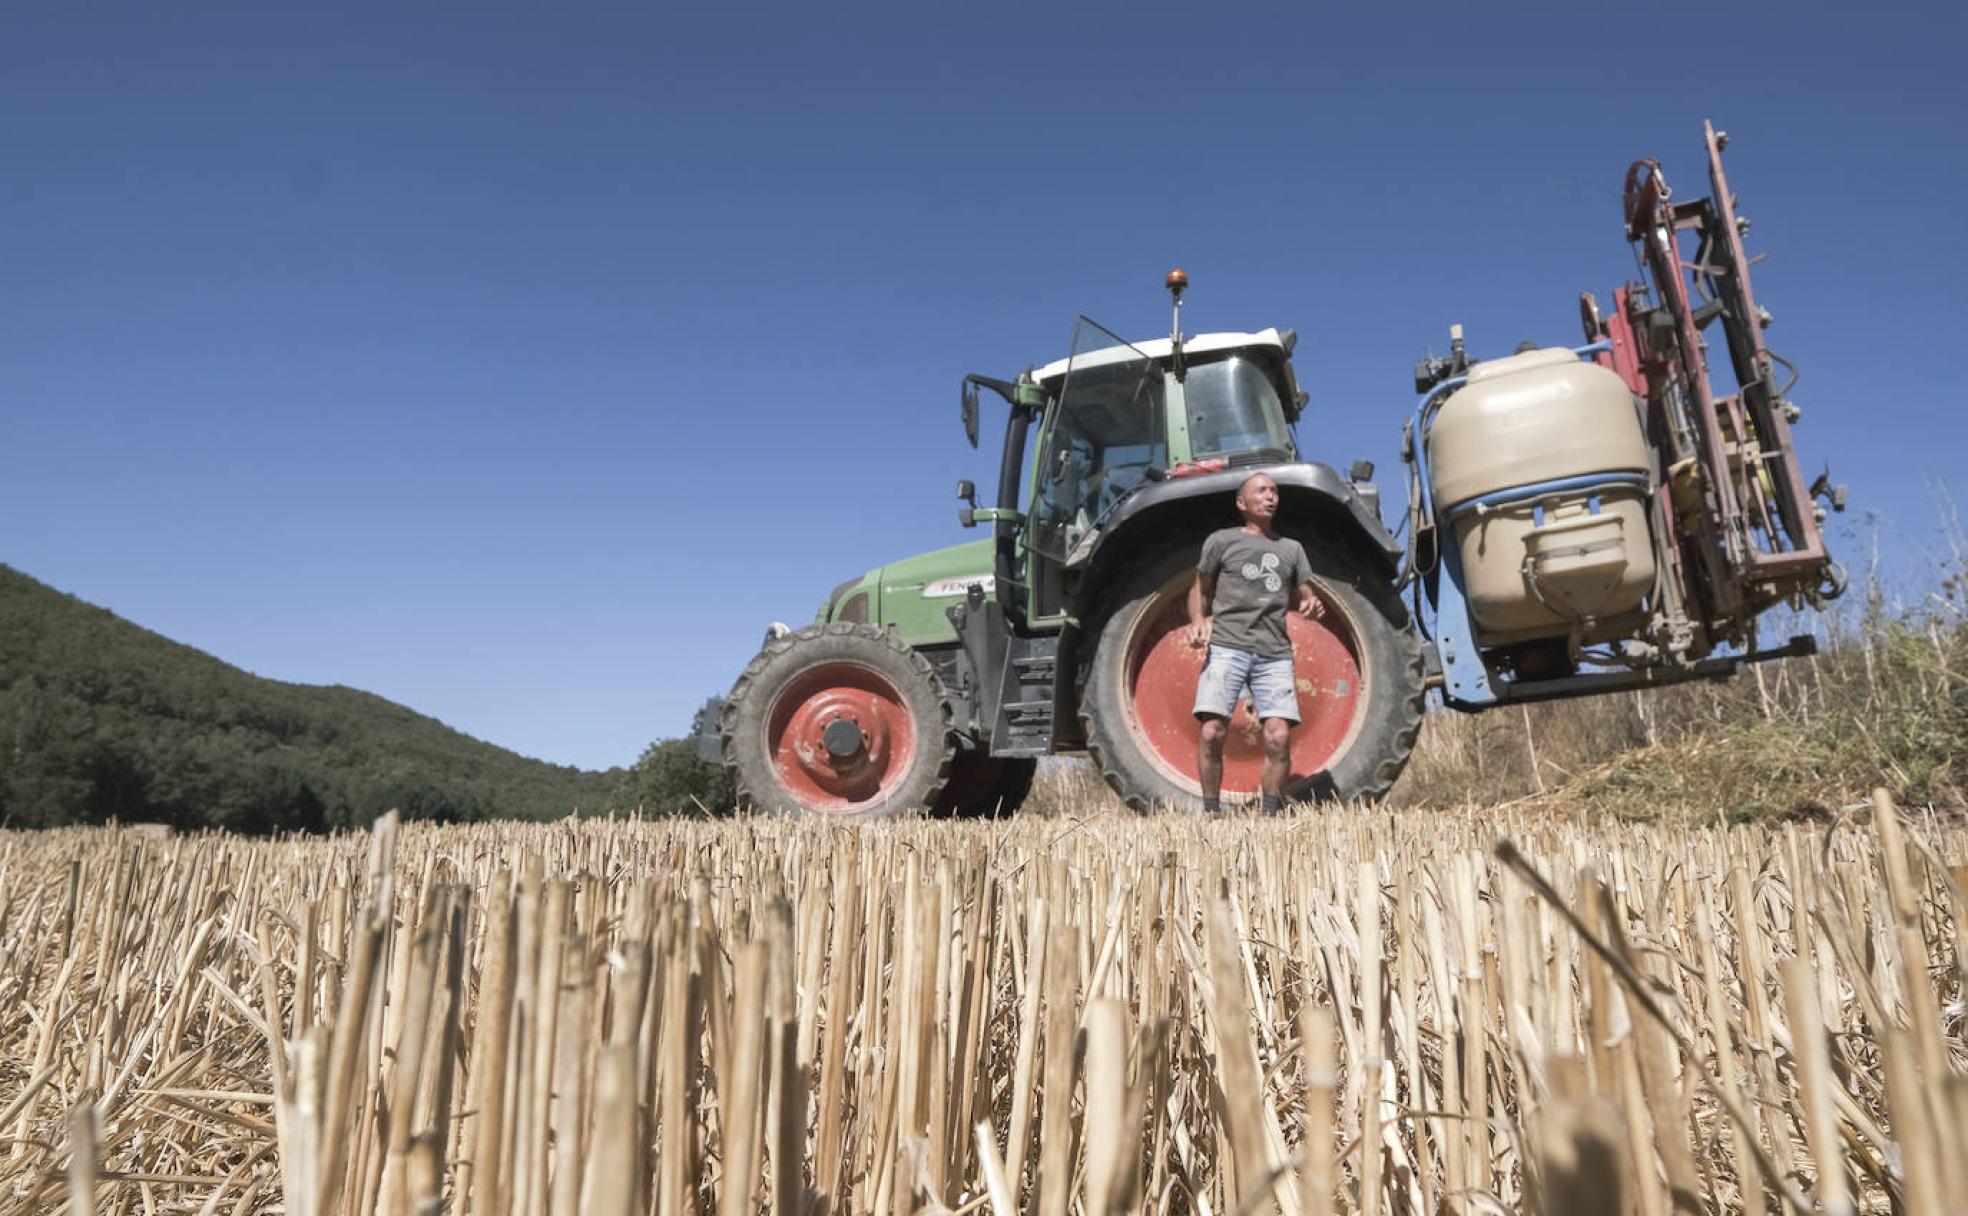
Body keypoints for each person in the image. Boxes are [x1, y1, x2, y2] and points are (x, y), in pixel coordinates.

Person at [1184, 472, 1324, 814]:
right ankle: (1212, 812)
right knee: (1212, 733)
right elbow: (1199, 589)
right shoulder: (1221, 541)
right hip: (1227, 647)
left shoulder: (1292, 549)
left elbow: (1309, 594)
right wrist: (1198, 621)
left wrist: (1313, 603)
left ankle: (1270, 814)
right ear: (1241, 502)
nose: (1270, 496)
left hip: (1273, 654)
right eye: (1261, 491)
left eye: (1274, 491)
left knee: (1278, 737)